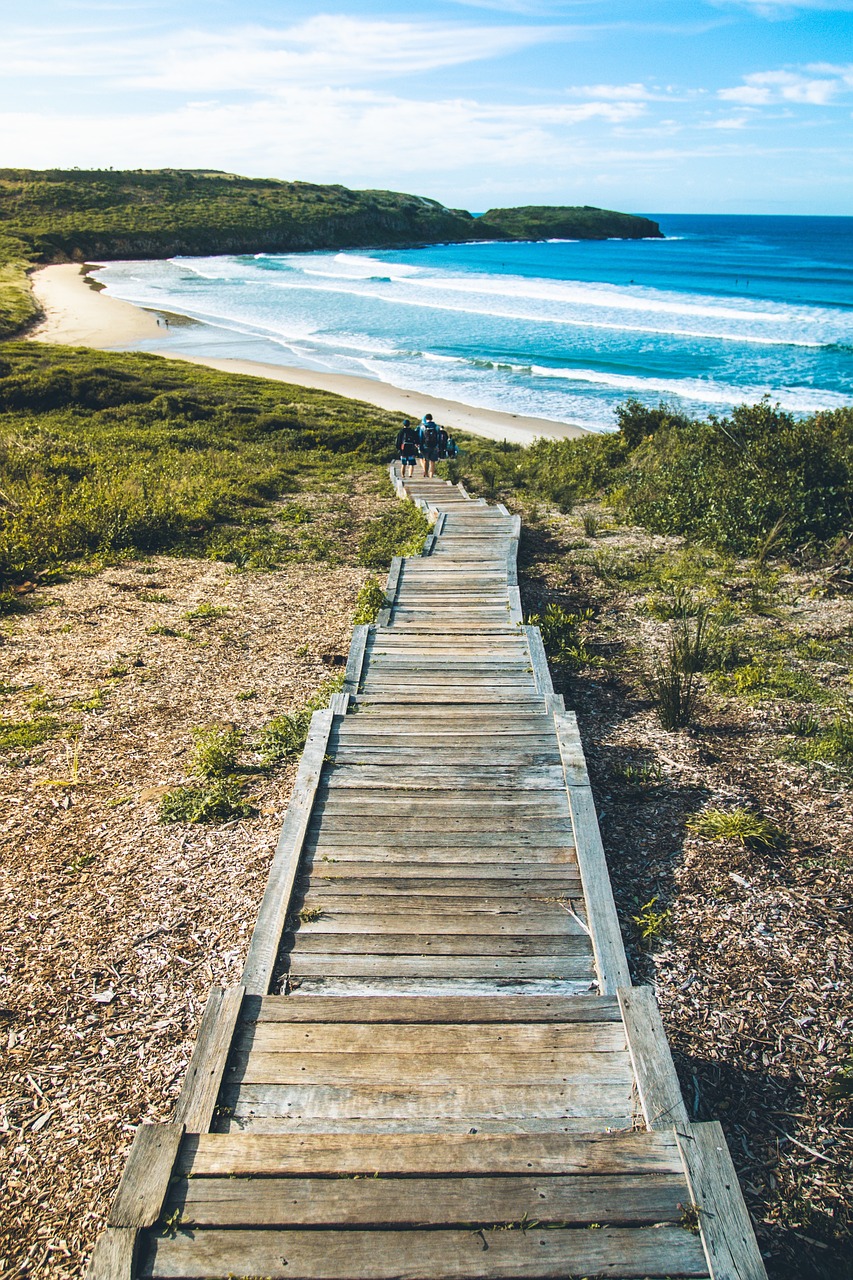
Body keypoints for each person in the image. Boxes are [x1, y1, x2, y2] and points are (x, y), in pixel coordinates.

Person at [418, 413, 441, 478]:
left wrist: (420, 446)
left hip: (425, 446)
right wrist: (438, 446)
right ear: (432, 418)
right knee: (433, 461)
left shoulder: (422, 427)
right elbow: (438, 437)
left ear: (426, 419)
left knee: (426, 460)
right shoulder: (436, 427)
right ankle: (431, 475)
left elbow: (420, 437)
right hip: (434, 446)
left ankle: (426, 473)